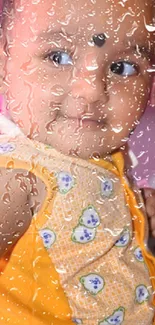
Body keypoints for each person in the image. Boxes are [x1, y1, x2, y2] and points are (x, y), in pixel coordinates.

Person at [0, 0, 155, 324]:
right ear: (4, 64)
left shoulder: (107, 162)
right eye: (58, 57)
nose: (91, 90)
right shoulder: (18, 176)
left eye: (122, 67)